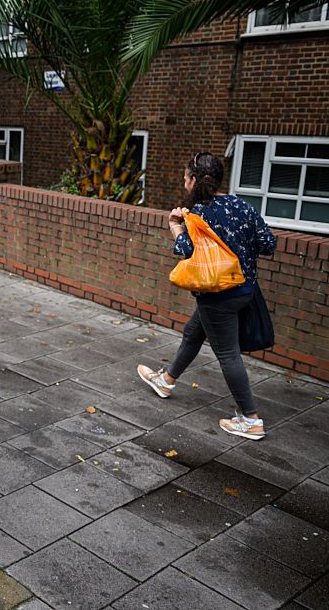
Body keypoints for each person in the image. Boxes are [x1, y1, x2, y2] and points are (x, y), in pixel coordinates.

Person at [136, 151, 275, 440]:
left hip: (217, 293)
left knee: (228, 354)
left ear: (194, 180)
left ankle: (250, 419)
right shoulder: (243, 205)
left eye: (186, 179)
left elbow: (186, 250)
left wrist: (175, 225)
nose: (184, 184)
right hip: (245, 289)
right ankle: (166, 380)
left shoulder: (198, 213)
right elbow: (267, 243)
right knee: (193, 332)